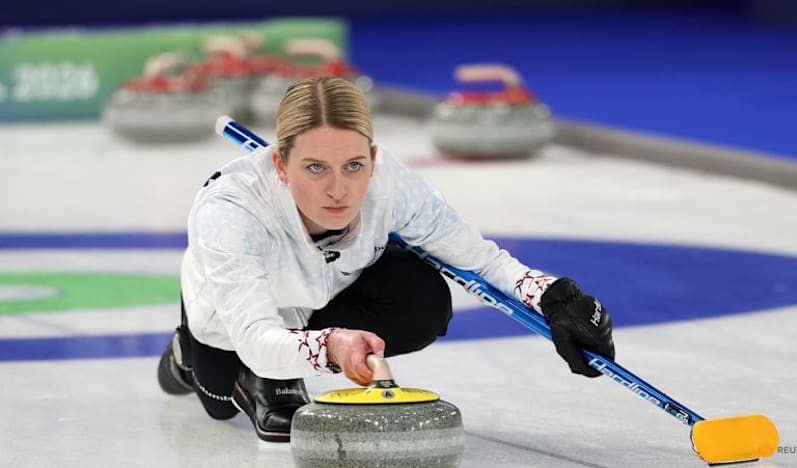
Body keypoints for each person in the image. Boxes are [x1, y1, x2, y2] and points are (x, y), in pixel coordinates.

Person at [157, 76, 615, 442]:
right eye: (315, 167)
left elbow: (480, 260)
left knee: (421, 300)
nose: (338, 189)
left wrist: (551, 295)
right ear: (280, 164)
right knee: (219, 398)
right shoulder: (230, 211)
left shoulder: (391, 184)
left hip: (319, 294)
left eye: (354, 166)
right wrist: (329, 347)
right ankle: (185, 358)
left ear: (373, 159)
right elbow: (256, 339)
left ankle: (287, 361)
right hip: (235, 319)